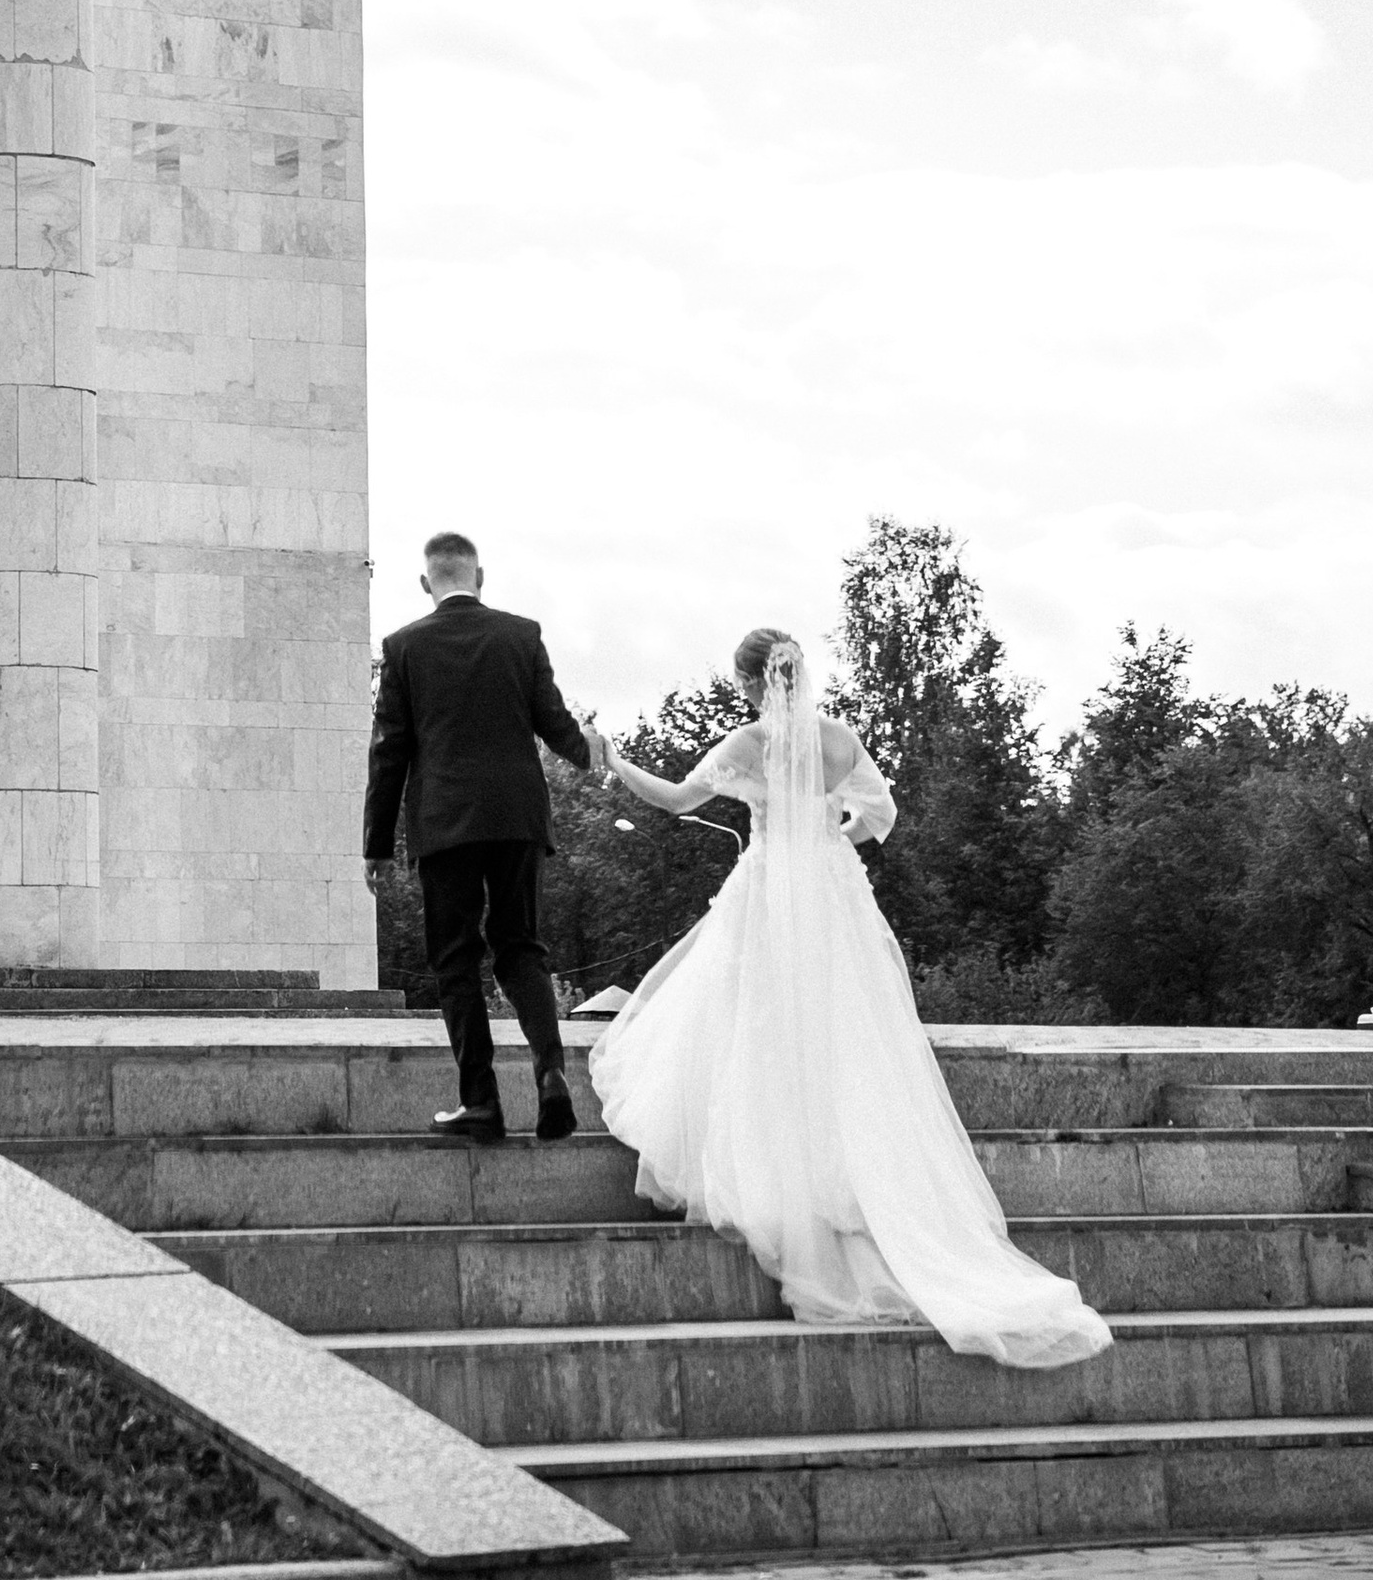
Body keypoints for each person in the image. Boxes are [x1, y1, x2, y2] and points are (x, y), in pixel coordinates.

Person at [589, 626, 1111, 1368]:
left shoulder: (745, 741)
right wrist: (830, 836)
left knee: (757, 1028)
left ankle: (779, 1178)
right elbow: (882, 815)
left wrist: (614, 757)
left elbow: (675, 799)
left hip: (770, 893)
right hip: (832, 894)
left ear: (749, 682)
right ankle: (852, 1179)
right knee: (848, 1036)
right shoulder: (839, 738)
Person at [363, 530, 608, 1141]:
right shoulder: (521, 635)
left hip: (445, 824)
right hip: (517, 818)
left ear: (427, 584)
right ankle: (551, 1076)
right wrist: (592, 756)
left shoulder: (404, 647)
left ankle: (482, 1102)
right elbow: (554, 723)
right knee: (521, 947)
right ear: (480, 575)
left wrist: (375, 844)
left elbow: (389, 753)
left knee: (456, 961)